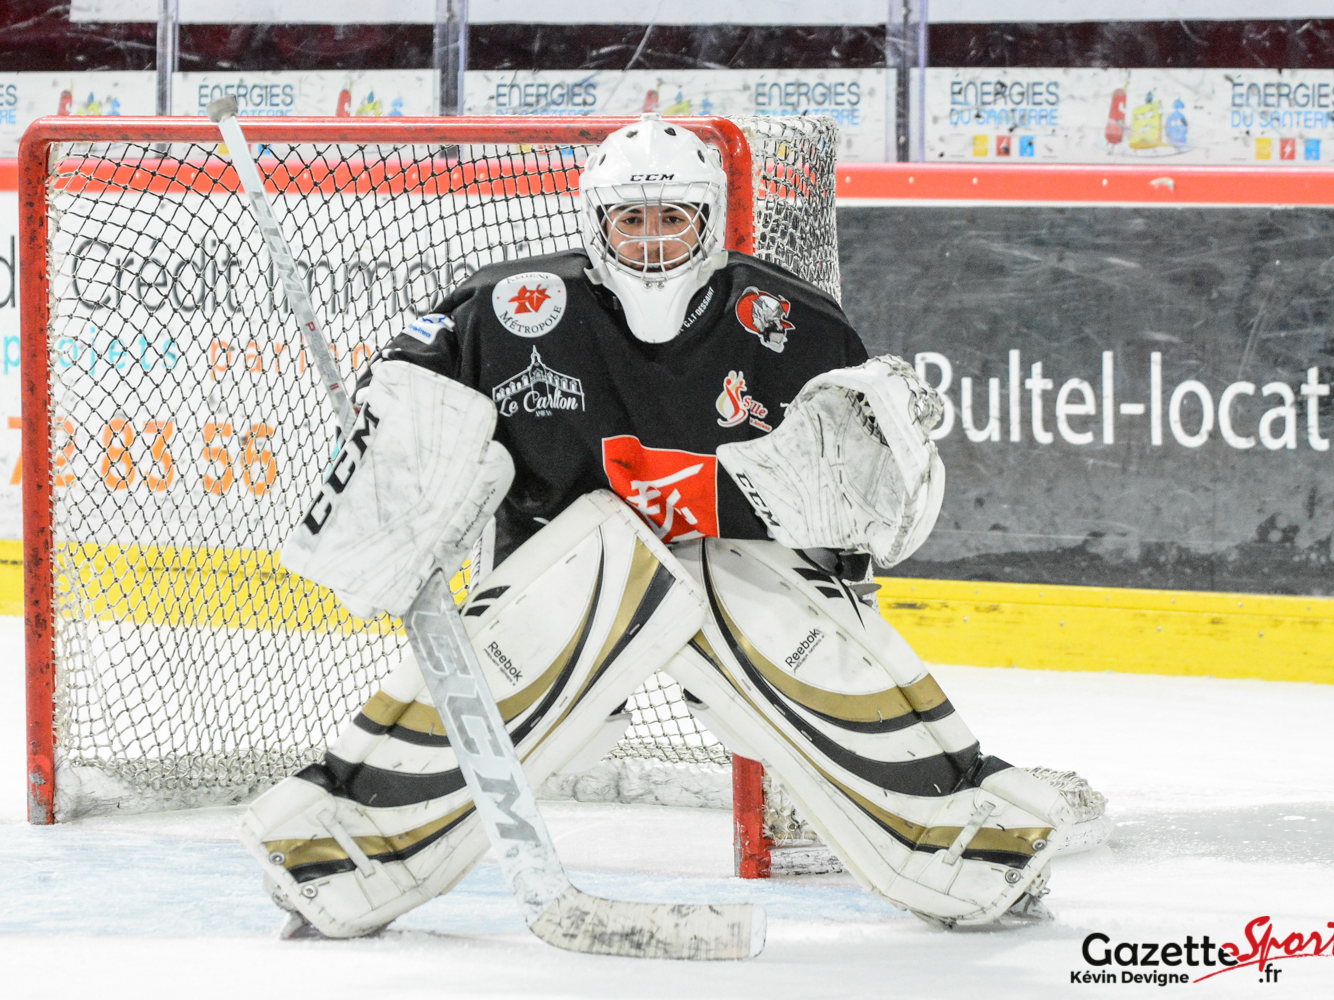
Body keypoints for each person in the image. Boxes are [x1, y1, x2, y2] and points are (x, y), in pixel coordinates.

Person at [242, 114, 1084, 940]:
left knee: (743, 596)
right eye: (632, 219)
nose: (651, 242)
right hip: (563, 578)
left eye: (672, 218)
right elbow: (408, 400)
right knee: (593, 562)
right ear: (596, 222)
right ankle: (347, 838)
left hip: (741, 582)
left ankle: (963, 832)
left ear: (710, 220)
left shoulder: (794, 325)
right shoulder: (507, 311)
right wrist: (394, 419)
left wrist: (845, 608)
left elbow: (859, 515)